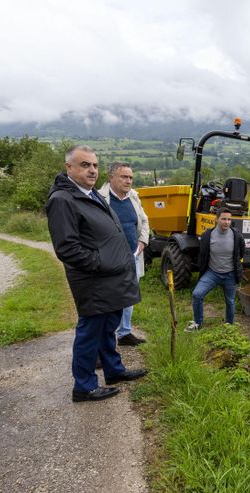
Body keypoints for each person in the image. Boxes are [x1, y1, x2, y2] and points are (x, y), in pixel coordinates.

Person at [44, 144, 147, 402]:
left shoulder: (90, 193)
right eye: (85, 165)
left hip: (109, 279)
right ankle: (84, 386)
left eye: (95, 165)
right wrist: (101, 262)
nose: (92, 170)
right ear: (69, 168)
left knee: (107, 328)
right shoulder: (62, 200)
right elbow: (67, 248)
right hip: (93, 281)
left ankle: (114, 371)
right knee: (90, 332)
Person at [98, 161, 149, 346]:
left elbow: (144, 220)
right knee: (109, 299)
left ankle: (124, 333)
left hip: (133, 256)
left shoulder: (134, 197)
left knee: (129, 297)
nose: (128, 181)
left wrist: (142, 242)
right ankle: (105, 340)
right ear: (111, 177)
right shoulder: (100, 199)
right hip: (111, 259)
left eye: (130, 177)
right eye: (124, 177)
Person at [187, 207, 245, 331]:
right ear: (217, 219)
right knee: (197, 294)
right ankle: (198, 323)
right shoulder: (207, 235)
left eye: (229, 219)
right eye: (223, 219)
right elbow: (203, 254)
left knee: (230, 301)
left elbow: (241, 253)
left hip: (230, 274)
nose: (226, 222)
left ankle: (229, 325)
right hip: (212, 273)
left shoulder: (237, 236)